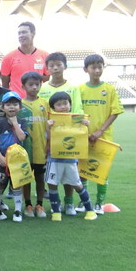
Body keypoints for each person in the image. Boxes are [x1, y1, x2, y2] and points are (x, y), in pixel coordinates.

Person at [77, 54, 124, 214]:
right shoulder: (80, 90)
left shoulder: (109, 89)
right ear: (86, 69)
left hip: (103, 138)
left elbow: (115, 112)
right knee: (82, 171)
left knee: (102, 171)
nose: (97, 70)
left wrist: (100, 131)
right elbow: (76, 111)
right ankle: (84, 201)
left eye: (100, 67)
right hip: (83, 137)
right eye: (93, 67)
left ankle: (99, 203)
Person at [38, 52, 83, 215]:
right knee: (53, 173)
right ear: (47, 68)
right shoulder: (43, 88)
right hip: (50, 137)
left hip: (69, 137)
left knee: (70, 172)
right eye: (51, 65)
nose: (55, 68)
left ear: (65, 66)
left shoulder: (73, 88)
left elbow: (78, 111)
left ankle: (69, 202)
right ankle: (55, 204)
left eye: (58, 64)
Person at [45, 91, 97, 222]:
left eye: (65, 103)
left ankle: (90, 210)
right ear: (53, 107)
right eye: (59, 105)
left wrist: (86, 125)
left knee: (77, 184)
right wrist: (48, 128)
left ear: (70, 104)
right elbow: (48, 140)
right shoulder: (51, 121)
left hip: (70, 160)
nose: (63, 107)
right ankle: (56, 212)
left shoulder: (77, 119)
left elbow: (83, 137)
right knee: (52, 184)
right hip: (54, 159)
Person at [0, 91, 29, 222]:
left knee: (17, 185)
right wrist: (0, 157)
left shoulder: (22, 122)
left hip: (18, 161)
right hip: (3, 160)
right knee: (0, 184)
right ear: (2, 107)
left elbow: (22, 137)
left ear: (20, 107)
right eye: (8, 104)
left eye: (15, 104)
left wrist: (14, 123)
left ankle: (17, 210)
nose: (12, 107)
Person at [18, 71, 49, 218]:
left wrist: (49, 144)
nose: (34, 87)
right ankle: (28, 204)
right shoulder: (19, 105)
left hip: (41, 148)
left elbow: (50, 126)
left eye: (37, 84)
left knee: (40, 178)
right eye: (31, 85)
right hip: (25, 148)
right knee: (26, 177)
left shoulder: (45, 103)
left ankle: (40, 204)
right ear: (23, 86)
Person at [1, 21, 49, 97]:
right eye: (19, 33)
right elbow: (5, 84)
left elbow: (46, 80)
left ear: (33, 33)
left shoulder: (45, 56)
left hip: (38, 100)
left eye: (24, 32)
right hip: (17, 101)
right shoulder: (8, 58)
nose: (21, 35)